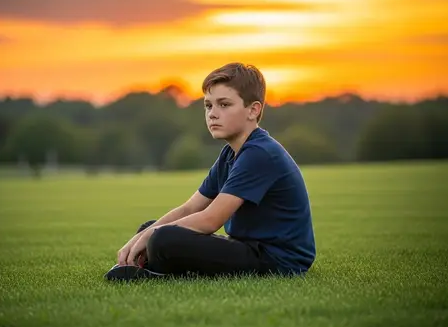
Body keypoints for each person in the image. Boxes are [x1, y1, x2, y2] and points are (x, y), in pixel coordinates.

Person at [105, 62, 316, 282]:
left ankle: (156, 274)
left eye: (224, 105)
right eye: (208, 105)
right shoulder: (230, 154)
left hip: (278, 260)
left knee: (163, 237)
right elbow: (190, 208)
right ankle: (152, 265)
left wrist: (152, 236)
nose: (213, 114)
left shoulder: (261, 153)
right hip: (248, 247)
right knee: (152, 227)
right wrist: (144, 234)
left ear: (253, 110)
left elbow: (211, 219)